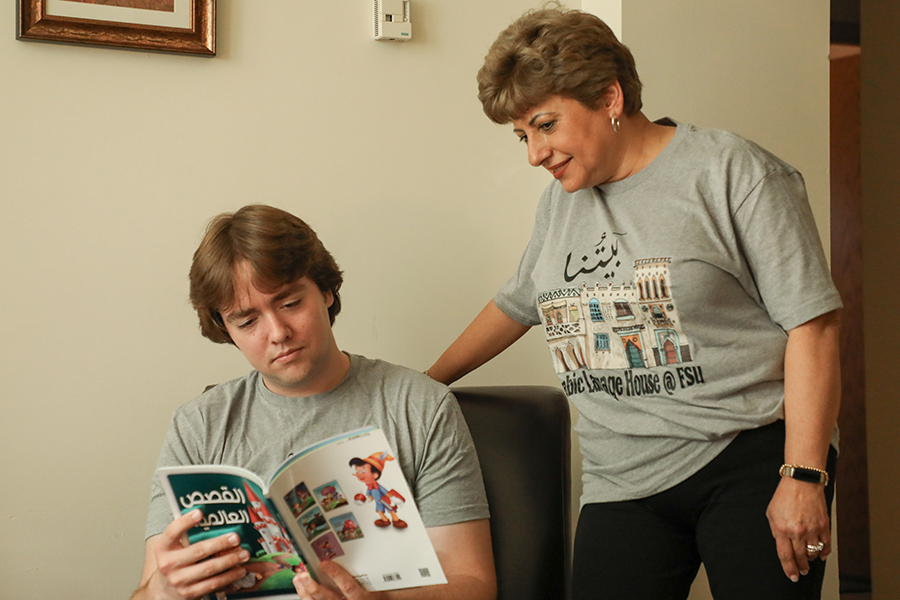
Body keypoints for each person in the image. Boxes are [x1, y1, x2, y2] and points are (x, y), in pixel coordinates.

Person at [426, 5, 841, 600]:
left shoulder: (731, 172)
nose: (533, 154)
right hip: (621, 475)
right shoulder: (561, 204)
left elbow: (814, 327)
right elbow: (518, 304)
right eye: (523, 136)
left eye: (545, 125)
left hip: (749, 455)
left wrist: (803, 476)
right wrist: (423, 385)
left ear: (610, 98)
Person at [131, 204, 495, 600]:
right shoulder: (197, 425)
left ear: (325, 289)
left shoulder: (420, 406)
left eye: (289, 303)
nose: (278, 332)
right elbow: (146, 589)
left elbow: (473, 584)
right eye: (247, 321)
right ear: (225, 329)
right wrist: (161, 592)